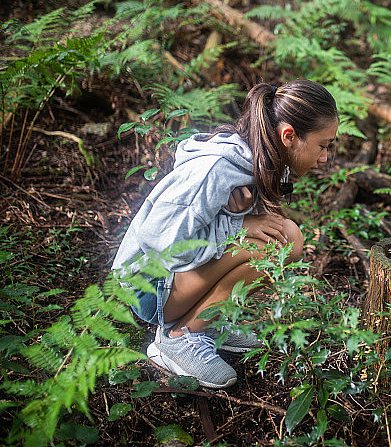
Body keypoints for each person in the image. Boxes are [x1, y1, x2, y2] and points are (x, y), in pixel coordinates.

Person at [112, 79, 338, 388]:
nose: (325, 157)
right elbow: (165, 244)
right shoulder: (216, 168)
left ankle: (208, 323)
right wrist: (237, 224)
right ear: (289, 136)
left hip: (171, 281)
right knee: (283, 242)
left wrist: (236, 217)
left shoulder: (260, 157)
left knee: (285, 236)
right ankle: (179, 338)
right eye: (323, 145)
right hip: (148, 285)